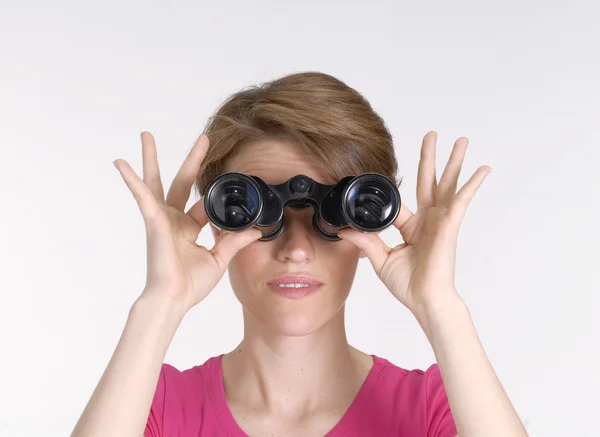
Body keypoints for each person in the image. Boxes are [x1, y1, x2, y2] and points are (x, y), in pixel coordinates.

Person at [71, 72, 528, 437]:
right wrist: (161, 302)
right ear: (218, 220)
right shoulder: (152, 407)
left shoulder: (433, 410)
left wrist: (439, 304)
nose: (296, 250)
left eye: (329, 220)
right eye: (258, 218)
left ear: (366, 222)